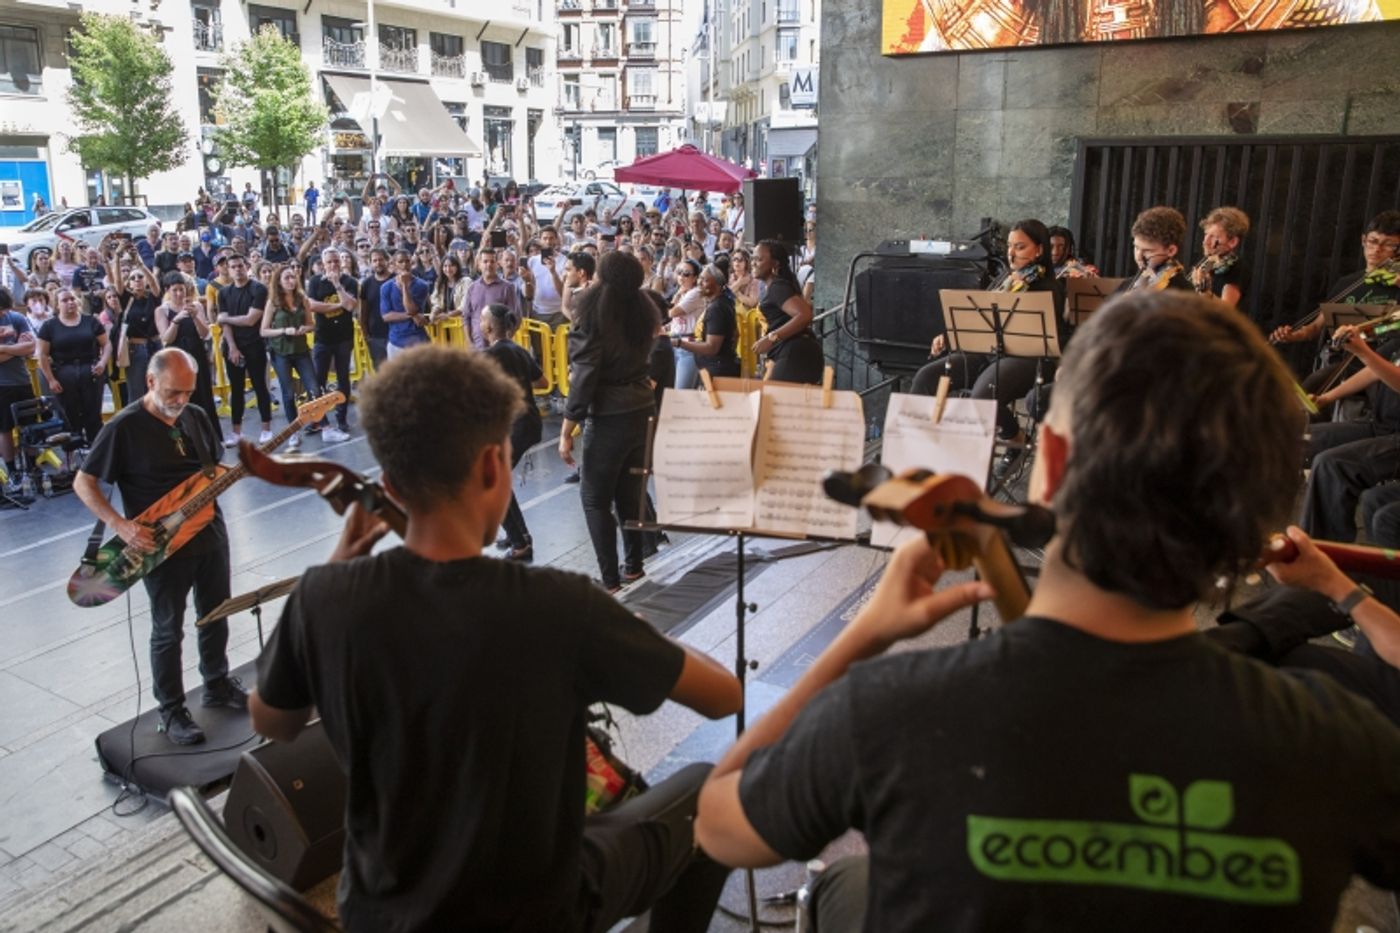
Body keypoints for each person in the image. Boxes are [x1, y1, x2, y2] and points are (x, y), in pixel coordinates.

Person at [695, 290, 1400, 931]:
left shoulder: (888, 711)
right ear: (1264, 516)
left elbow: (720, 824)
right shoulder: (1334, 740)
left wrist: (864, 635)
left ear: (1054, 462)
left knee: (849, 886)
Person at [249, 344, 741, 932]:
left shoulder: (322, 597)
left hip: (378, 911)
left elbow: (272, 722)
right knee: (710, 796)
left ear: (390, 482)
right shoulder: (559, 605)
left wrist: (340, 560)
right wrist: (629, 633)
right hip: (533, 913)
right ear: (490, 466)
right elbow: (724, 697)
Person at [74, 348, 245, 745]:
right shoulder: (124, 427)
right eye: (173, 392)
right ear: (150, 382)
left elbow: (212, 471)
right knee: (168, 628)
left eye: (188, 392)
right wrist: (121, 525)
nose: (181, 401)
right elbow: (84, 482)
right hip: (161, 546)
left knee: (215, 613)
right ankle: (171, 710)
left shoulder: (197, 417)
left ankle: (217, 683)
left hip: (209, 534)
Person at [913, 219, 1063, 475]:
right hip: (990, 351)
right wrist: (950, 335)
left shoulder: (1050, 288)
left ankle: (1015, 440)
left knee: (982, 395)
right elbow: (977, 315)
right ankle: (917, 451)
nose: (1011, 253)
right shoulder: (1006, 280)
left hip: (1029, 358)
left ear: (1039, 250)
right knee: (926, 378)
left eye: (1020, 247)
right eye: (1010, 247)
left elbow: (1042, 335)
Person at [560, 252, 657, 592]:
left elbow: (584, 374)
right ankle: (633, 566)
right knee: (631, 494)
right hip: (643, 408)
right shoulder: (644, 308)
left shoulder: (593, 310)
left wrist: (567, 427)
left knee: (595, 499)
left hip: (610, 414)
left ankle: (610, 580)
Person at [482, 304, 545, 561]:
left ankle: (520, 544)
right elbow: (543, 382)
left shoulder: (491, 355)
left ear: (487, 327)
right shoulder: (517, 349)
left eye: (481, 319)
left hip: (517, 425)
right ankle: (519, 535)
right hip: (529, 421)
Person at [214, 254, 274, 447]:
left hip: (255, 344)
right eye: (233, 267)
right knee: (236, 389)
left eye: (240, 266)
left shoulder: (258, 289)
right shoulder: (223, 293)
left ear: (246, 266)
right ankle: (236, 432)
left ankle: (266, 429)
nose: (237, 269)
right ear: (227, 269)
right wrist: (232, 346)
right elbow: (225, 325)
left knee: (260, 386)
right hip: (233, 346)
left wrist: (226, 319)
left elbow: (251, 319)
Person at [260, 265, 322, 451]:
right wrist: (283, 330)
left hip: (301, 349)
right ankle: (293, 431)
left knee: (314, 389)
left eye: (293, 277)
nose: (290, 280)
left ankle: (320, 424)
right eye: (286, 277)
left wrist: (306, 328)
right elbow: (263, 330)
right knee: (288, 394)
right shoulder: (273, 302)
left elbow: (311, 324)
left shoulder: (302, 299)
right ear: (279, 281)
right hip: (281, 352)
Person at [37, 287, 109, 442]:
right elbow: (42, 354)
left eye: (72, 299)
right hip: (64, 373)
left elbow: (106, 344)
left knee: (93, 415)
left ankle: (96, 453)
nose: (70, 302)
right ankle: (72, 456)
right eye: (64, 300)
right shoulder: (49, 326)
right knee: (70, 417)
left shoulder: (91, 321)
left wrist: (103, 362)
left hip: (90, 371)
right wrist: (51, 379)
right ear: (57, 305)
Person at [154, 273, 218, 430]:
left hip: (196, 356)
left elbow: (205, 334)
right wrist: (176, 320)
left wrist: (195, 317)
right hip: (175, 359)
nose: (179, 294)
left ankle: (208, 435)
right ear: (167, 290)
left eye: (181, 289)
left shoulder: (196, 306)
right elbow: (166, 338)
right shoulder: (162, 310)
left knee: (202, 394)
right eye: (174, 290)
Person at [676, 262, 740, 378]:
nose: (700, 283)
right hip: (718, 366)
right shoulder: (723, 303)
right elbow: (736, 335)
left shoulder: (717, 308)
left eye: (705, 280)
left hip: (718, 370)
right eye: (700, 279)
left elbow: (712, 348)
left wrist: (680, 343)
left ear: (718, 285)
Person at [0, 287, 36, 485]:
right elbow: (22, 349)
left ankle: (32, 465)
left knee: (29, 425)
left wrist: (4, 348)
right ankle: (12, 469)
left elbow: (30, 347)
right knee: (4, 429)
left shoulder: (16, 318)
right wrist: (17, 349)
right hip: (1, 385)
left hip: (22, 380)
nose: (4, 313)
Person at [1118, 206, 1193, 292]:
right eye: (1136, 247)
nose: (1139, 256)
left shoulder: (1183, 292)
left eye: (1147, 251)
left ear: (1171, 250)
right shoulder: (1127, 285)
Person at [1192, 206, 1251, 313]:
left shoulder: (1237, 267)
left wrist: (1206, 293)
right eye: (1206, 234)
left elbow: (1225, 310)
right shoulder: (1208, 262)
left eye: (1214, 237)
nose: (1205, 241)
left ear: (1232, 242)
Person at [463, 247, 521, 348]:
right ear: (479, 264)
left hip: (500, 349)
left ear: (497, 264)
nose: (488, 265)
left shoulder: (508, 287)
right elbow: (466, 317)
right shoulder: (472, 288)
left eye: (492, 261)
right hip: (477, 347)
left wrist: (506, 340)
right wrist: (469, 342)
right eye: (485, 261)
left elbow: (515, 317)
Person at [379, 249, 431, 358]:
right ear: (394, 264)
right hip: (396, 342)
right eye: (400, 262)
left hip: (418, 341)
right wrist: (414, 316)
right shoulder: (386, 287)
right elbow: (386, 316)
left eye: (407, 261)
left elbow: (411, 309)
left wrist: (404, 286)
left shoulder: (422, 285)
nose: (404, 265)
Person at [358, 248, 394, 369]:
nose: (378, 263)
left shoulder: (396, 280)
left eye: (381, 260)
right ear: (370, 263)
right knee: (381, 374)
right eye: (374, 260)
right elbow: (363, 311)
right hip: (375, 337)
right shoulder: (367, 284)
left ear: (387, 261)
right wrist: (366, 335)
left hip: (396, 334)